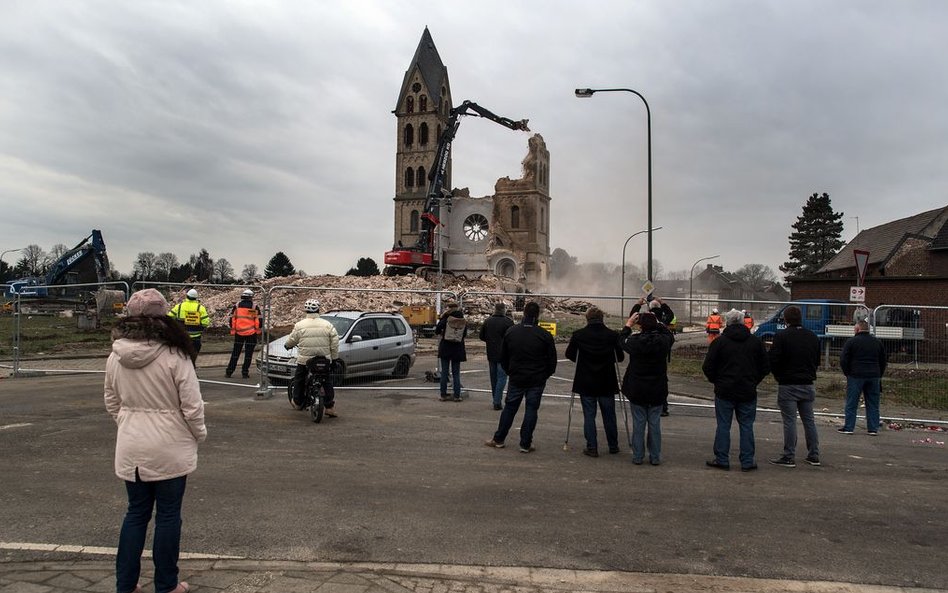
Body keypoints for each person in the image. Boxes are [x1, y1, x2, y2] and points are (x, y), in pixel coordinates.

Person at [104, 288, 205, 593]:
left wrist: (127, 422)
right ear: (165, 316)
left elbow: (111, 400)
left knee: (135, 513)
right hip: (170, 445)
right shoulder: (176, 354)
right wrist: (198, 434)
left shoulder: (116, 354)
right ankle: (166, 585)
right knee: (169, 515)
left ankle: (126, 584)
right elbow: (192, 405)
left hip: (132, 444)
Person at [485, 301, 557, 453]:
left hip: (517, 377)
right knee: (531, 409)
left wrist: (511, 371)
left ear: (524, 313)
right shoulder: (545, 335)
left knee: (510, 408)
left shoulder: (512, 332)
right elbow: (552, 362)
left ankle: (499, 439)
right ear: (538, 315)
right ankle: (525, 443)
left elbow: (503, 357)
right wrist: (544, 375)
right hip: (536, 379)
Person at [702, 308, 770, 471]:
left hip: (724, 390)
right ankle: (747, 461)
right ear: (742, 322)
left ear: (726, 322)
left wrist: (717, 381)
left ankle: (722, 459)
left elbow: (708, 366)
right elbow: (765, 366)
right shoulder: (755, 342)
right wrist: (754, 381)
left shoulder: (719, 342)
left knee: (723, 425)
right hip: (747, 390)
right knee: (747, 426)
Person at [565, 306, 624, 457]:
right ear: (602, 318)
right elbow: (620, 357)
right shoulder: (612, 335)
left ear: (587, 318)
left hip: (586, 381)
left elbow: (570, 354)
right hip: (607, 381)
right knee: (609, 415)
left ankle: (592, 447)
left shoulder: (579, 335)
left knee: (589, 415)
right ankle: (613, 445)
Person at [768, 305, 822, 467]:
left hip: (788, 384)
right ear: (801, 318)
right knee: (809, 421)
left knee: (790, 421)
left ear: (785, 319)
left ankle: (789, 455)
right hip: (807, 383)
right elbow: (817, 359)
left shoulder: (781, 336)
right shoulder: (812, 337)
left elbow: (774, 360)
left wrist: (779, 376)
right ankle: (814, 454)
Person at [619, 310, 674, 465]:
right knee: (655, 423)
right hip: (657, 388)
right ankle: (655, 456)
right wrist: (659, 323)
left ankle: (638, 456)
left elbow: (621, 340)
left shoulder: (635, 342)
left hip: (637, 388)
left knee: (638, 423)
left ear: (640, 326)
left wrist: (628, 325)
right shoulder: (663, 341)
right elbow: (670, 336)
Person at [285, 299, 340, 416]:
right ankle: (329, 407)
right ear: (318, 310)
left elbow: (292, 339)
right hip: (323, 360)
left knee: (299, 379)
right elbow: (335, 343)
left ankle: (298, 402)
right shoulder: (327, 325)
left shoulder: (300, 325)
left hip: (305, 361)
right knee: (327, 382)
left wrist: (287, 345)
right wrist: (334, 359)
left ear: (306, 310)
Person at [838, 319, 887, 435]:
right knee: (873, 403)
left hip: (856, 375)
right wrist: (879, 374)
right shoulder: (877, 342)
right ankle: (873, 428)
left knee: (852, 402)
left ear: (857, 329)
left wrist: (847, 372)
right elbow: (883, 360)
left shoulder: (851, 342)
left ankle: (849, 427)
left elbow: (844, 359)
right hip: (874, 375)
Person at [479, 302, 514, 410]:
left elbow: (482, 336)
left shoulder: (488, 321)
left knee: (493, 378)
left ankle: (495, 399)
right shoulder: (508, 322)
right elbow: (512, 338)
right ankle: (497, 401)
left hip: (491, 353)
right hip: (504, 354)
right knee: (502, 378)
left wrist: (490, 341)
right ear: (504, 310)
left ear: (495, 309)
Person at [225, 289, 261, 379]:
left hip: (239, 333)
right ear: (251, 297)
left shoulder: (237, 306)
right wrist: (258, 330)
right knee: (248, 354)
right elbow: (258, 320)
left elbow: (232, 319)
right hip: (251, 334)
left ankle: (229, 372)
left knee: (235, 353)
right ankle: (245, 372)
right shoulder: (254, 307)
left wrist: (233, 330)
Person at [435, 301, 467, 402]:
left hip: (446, 347)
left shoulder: (446, 318)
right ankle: (457, 395)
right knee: (456, 373)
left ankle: (443, 395)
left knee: (444, 372)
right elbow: (464, 334)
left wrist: (442, 333)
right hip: (457, 349)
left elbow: (437, 330)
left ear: (449, 308)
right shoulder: (462, 320)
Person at [167, 288, 210, 357]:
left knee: (181, 358)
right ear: (196, 298)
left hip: (182, 337)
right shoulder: (200, 308)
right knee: (192, 358)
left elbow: (169, 318)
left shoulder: (179, 307)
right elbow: (206, 322)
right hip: (195, 338)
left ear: (186, 296)